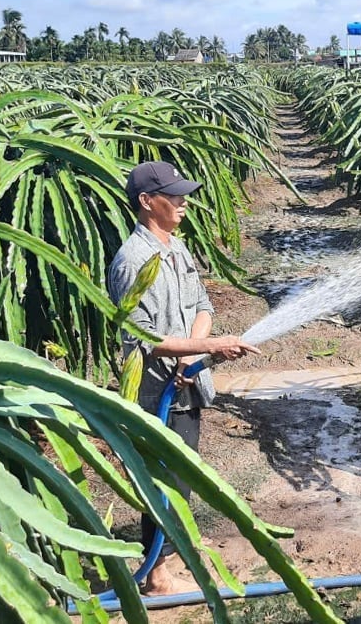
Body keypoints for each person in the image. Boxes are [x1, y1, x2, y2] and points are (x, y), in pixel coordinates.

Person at [106, 160, 258, 596]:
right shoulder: (131, 261)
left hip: (185, 384)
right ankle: (155, 573)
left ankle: (171, 553)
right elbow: (143, 336)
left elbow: (202, 305)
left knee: (182, 474)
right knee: (162, 480)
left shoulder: (177, 248)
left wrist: (195, 352)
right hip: (156, 391)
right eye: (173, 196)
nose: (183, 203)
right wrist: (205, 349)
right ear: (146, 202)